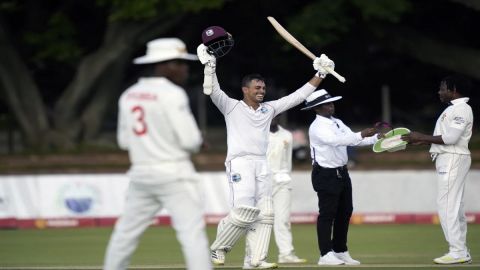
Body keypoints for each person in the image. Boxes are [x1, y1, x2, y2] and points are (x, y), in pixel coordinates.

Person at [196, 26, 336, 269]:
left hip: (262, 164)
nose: (261, 91)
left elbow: (298, 96)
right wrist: (210, 65)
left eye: (263, 88)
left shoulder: (269, 109)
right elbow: (213, 90)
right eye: (256, 88)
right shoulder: (231, 107)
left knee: (266, 213)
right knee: (245, 211)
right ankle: (219, 247)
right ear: (245, 90)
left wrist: (320, 74)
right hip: (240, 162)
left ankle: (256, 260)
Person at [103, 38, 212, 270]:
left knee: (124, 235)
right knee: (192, 236)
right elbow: (190, 140)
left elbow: (124, 141)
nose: (185, 68)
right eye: (179, 63)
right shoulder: (173, 94)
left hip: (141, 173)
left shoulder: (129, 94)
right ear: (163, 65)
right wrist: (199, 140)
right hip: (175, 173)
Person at [302, 89, 379, 266]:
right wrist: (361, 134)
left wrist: (375, 138)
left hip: (342, 172)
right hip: (325, 173)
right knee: (327, 214)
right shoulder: (317, 127)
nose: (331, 106)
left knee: (345, 212)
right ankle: (325, 254)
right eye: (327, 104)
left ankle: (340, 250)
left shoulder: (337, 122)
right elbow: (338, 141)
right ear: (317, 108)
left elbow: (353, 139)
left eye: (331, 103)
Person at [401, 75, 473, 265]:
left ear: (453, 89)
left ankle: (457, 251)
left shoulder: (461, 109)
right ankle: (461, 250)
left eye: (442, 88)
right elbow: (444, 138)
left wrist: (421, 135)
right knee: (455, 207)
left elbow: (450, 139)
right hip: (450, 158)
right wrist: (420, 140)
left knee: (447, 205)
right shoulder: (453, 109)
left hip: (453, 158)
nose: (439, 92)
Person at [267, 117, 307, 264]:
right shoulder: (257, 132)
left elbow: (287, 160)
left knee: (283, 219)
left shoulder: (287, 135)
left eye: (276, 114)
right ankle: (251, 253)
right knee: (254, 220)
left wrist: (286, 176)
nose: (272, 118)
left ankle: (286, 254)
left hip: (282, 182)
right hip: (261, 182)